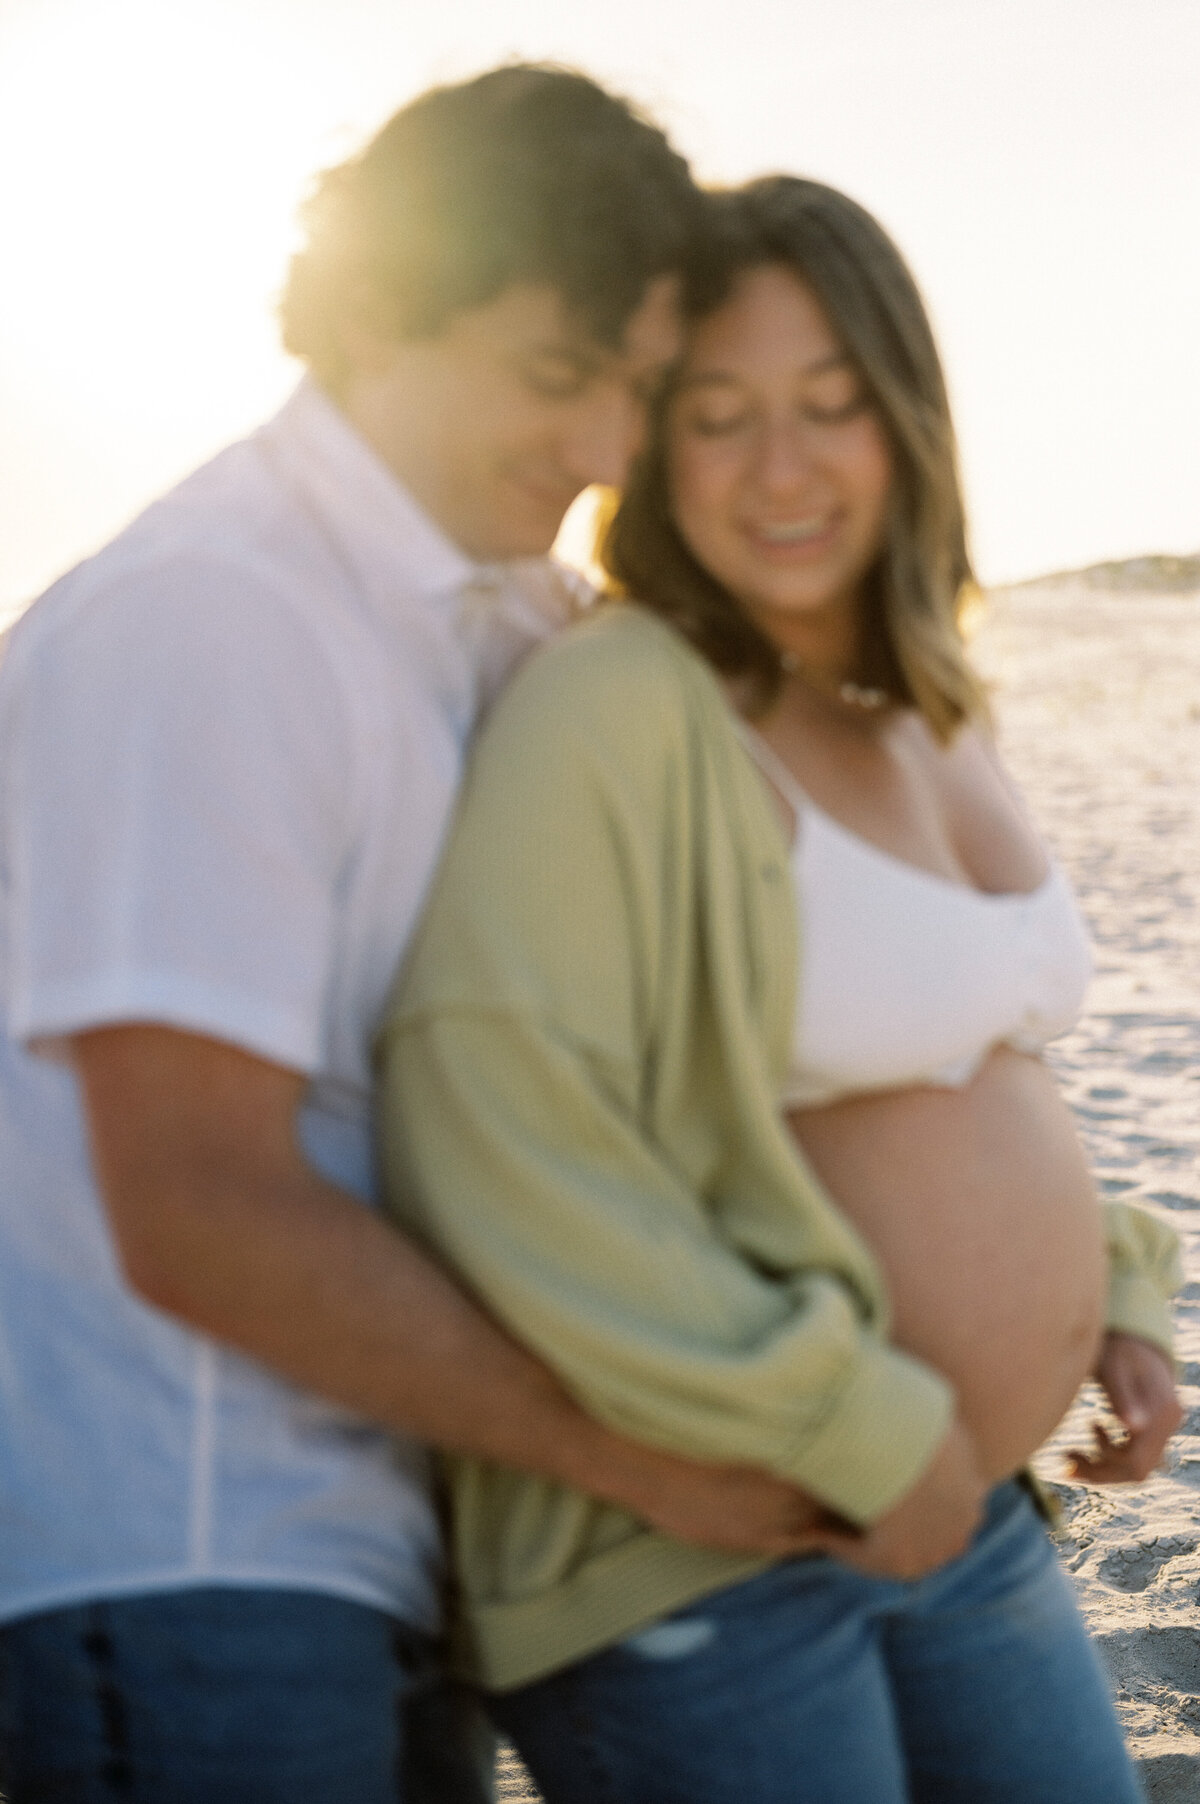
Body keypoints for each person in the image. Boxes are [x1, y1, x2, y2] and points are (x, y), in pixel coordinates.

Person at [0, 72, 828, 1804]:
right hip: (183, 1554)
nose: (606, 448)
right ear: (379, 309)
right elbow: (199, 1205)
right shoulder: (215, 620)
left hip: (384, 1536)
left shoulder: (485, 616)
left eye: (636, 388)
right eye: (554, 377)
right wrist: (634, 1451)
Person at [377, 176, 1184, 1803]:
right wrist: (853, 1431)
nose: (783, 466)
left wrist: (1110, 1298)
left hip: (963, 1511)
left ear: (907, 417)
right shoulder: (616, 704)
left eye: (831, 405)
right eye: (721, 415)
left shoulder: (929, 703)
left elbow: (961, 1059)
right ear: (656, 449)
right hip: (709, 1547)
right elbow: (497, 1127)